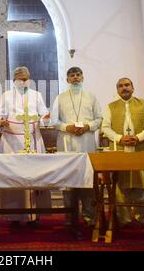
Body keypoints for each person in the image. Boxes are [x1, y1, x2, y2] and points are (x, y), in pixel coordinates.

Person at [0, 66, 51, 227]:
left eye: (26, 79)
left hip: (33, 140)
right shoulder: (6, 96)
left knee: (35, 177)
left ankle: (35, 216)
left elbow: (43, 115)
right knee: (13, 179)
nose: (24, 81)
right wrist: (1, 122)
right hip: (12, 142)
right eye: (20, 79)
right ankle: (13, 216)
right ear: (14, 80)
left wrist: (45, 118)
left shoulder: (36, 95)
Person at [101, 78, 144, 227]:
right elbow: (105, 127)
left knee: (142, 187)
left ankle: (143, 219)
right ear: (117, 90)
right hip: (120, 151)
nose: (124, 88)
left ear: (133, 87)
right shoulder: (111, 106)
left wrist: (138, 137)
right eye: (120, 86)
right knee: (120, 189)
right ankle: (123, 220)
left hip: (140, 150)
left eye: (127, 85)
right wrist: (119, 139)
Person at [51, 66, 102, 226]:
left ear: (83, 77)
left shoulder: (91, 97)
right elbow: (54, 121)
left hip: (87, 142)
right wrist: (68, 128)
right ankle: (69, 217)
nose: (75, 77)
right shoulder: (60, 98)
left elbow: (99, 119)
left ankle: (90, 217)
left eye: (78, 75)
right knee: (68, 181)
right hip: (67, 143)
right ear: (67, 79)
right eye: (72, 75)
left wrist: (87, 127)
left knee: (88, 180)